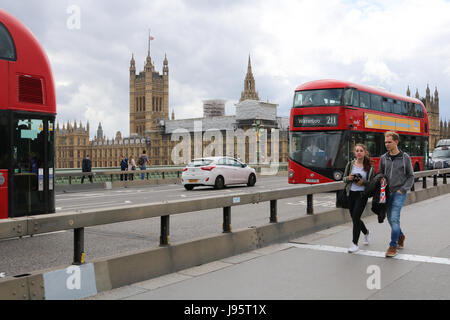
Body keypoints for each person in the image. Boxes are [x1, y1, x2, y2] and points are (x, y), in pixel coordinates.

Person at [379, 131, 414, 258]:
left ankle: (393, 246)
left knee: (394, 219)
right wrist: (381, 180)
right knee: (390, 219)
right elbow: (380, 174)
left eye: (389, 142)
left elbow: (411, 177)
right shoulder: (383, 158)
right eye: (385, 142)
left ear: (396, 142)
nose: (387, 144)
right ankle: (400, 236)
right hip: (386, 193)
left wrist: (403, 190)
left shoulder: (405, 158)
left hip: (399, 193)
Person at [343, 144, 375, 253]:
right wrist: (350, 178)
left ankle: (354, 244)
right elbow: (344, 179)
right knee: (354, 218)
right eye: (357, 150)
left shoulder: (370, 167)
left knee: (356, 217)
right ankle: (366, 232)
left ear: (365, 152)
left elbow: (372, 183)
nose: (359, 152)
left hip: (362, 195)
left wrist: (363, 182)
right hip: (350, 194)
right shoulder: (350, 164)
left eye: (361, 150)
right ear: (354, 152)